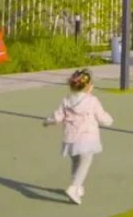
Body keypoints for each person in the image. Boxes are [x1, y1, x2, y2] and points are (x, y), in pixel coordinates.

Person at [44, 69, 114, 205]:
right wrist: (109, 120)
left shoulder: (66, 100)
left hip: (71, 138)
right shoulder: (92, 101)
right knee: (85, 162)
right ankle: (74, 187)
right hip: (87, 137)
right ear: (88, 87)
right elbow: (102, 117)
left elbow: (57, 116)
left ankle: (78, 186)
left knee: (76, 161)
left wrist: (47, 121)